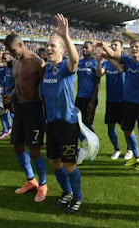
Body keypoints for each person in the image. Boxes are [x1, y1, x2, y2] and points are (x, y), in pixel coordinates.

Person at [41, 13, 82, 213]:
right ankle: (66, 192)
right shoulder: (46, 70)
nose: (48, 49)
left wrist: (65, 36)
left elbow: (75, 59)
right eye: (47, 46)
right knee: (54, 161)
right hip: (52, 124)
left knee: (68, 164)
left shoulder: (65, 69)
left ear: (62, 51)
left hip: (67, 124)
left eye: (53, 46)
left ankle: (78, 197)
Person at [2, 33, 47, 203]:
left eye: (13, 50)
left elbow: (49, 86)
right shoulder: (15, 63)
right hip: (19, 109)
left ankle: (42, 184)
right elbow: (19, 85)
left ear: (21, 44)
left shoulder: (37, 62)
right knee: (18, 147)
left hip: (34, 109)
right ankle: (31, 180)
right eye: (9, 51)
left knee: (34, 150)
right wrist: (11, 96)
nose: (12, 54)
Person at [98, 38, 139, 171]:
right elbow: (113, 55)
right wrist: (104, 46)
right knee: (127, 131)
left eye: (136, 47)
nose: (134, 49)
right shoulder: (128, 61)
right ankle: (136, 157)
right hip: (127, 103)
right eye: (132, 47)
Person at [96, 39, 133, 160]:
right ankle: (117, 149)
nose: (113, 47)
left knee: (126, 128)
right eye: (112, 45)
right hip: (111, 100)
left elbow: (120, 69)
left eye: (116, 45)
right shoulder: (107, 63)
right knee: (110, 128)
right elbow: (99, 74)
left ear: (122, 48)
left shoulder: (125, 61)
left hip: (124, 100)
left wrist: (108, 57)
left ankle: (130, 149)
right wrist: (99, 62)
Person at [75, 41, 99, 134]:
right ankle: (84, 145)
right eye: (83, 48)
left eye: (86, 48)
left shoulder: (95, 63)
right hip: (79, 97)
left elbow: (97, 83)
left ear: (92, 49)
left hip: (89, 99)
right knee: (77, 123)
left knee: (87, 124)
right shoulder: (79, 62)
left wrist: (92, 101)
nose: (84, 49)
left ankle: (94, 144)